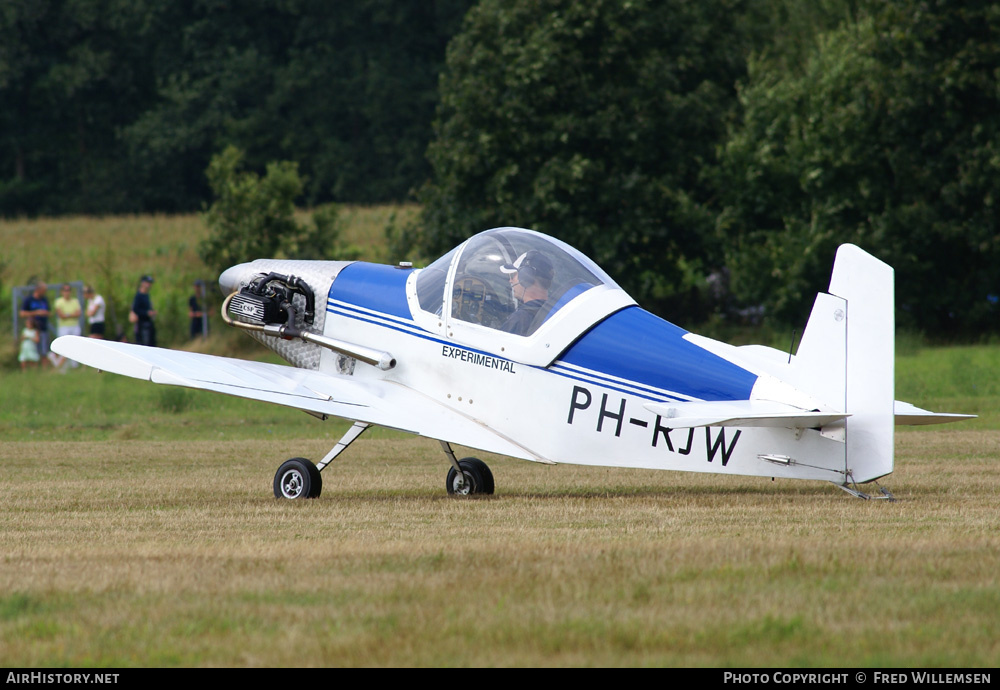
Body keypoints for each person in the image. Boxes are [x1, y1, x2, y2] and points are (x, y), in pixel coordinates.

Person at [499, 250, 554, 336]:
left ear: (525, 277)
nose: (510, 280)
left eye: (513, 275)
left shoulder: (520, 319)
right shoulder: (555, 313)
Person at [19, 281, 51, 367]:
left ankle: (44, 369)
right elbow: (22, 313)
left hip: (43, 328)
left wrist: (45, 313)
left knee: (44, 350)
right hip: (33, 329)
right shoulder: (29, 300)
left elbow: (49, 312)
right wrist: (36, 313)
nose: (45, 292)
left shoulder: (44, 299)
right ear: (38, 290)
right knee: (32, 350)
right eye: (44, 290)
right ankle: (33, 370)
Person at [52, 283, 82, 368]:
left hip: (74, 326)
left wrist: (67, 315)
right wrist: (71, 315)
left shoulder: (75, 301)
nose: (67, 292)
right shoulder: (59, 301)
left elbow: (78, 313)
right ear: (62, 292)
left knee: (75, 345)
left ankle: (74, 365)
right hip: (64, 327)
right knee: (64, 346)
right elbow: (61, 315)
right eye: (65, 290)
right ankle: (62, 366)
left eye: (68, 290)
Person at [131, 275, 157, 347]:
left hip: (148, 324)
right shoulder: (139, 295)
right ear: (142, 283)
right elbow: (135, 309)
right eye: (147, 282)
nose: (149, 285)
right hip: (142, 325)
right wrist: (146, 313)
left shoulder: (147, 295)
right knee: (144, 345)